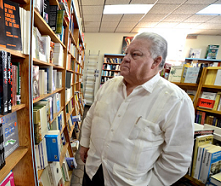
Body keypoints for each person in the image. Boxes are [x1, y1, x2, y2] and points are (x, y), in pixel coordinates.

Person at [79, 32, 195, 186]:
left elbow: (177, 159)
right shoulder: (109, 86)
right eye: (126, 53)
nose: (125, 58)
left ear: (155, 62)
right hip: (92, 171)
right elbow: (91, 118)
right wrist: (84, 144)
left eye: (135, 55)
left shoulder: (176, 101)